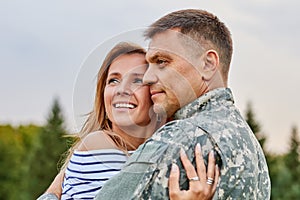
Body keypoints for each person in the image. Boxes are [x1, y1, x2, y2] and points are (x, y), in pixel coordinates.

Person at [95, 9, 271, 199]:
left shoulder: (181, 138)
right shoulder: (248, 143)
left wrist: (58, 190)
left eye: (162, 61)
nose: (147, 78)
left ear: (208, 64)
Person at [37, 42, 219, 200]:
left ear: (155, 93)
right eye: (113, 80)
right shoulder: (98, 145)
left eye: (137, 80)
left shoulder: (150, 151)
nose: (121, 90)